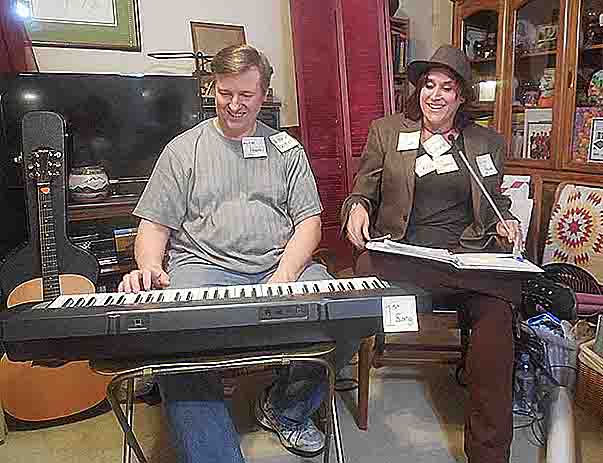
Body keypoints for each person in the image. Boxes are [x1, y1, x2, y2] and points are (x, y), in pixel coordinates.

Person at [119, 44, 357, 463]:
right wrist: (150, 266)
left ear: (264, 95)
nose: (233, 105)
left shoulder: (287, 151)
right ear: (213, 88)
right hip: (203, 267)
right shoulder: (182, 151)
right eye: (225, 92)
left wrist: (283, 276)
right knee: (176, 339)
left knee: (345, 316)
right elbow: (155, 225)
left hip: (279, 265)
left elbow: (309, 224)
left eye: (245, 95)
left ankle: (286, 408)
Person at [341, 45, 523, 463]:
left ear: (462, 97)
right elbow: (361, 191)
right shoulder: (387, 132)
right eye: (429, 85)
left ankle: (489, 453)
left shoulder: (485, 142)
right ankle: (314, 382)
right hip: (401, 255)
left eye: (448, 87)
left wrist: (504, 222)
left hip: (463, 258)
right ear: (419, 90)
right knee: (360, 277)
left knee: (499, 310)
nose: (435, 95)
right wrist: (356, 208)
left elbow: (495, 202)